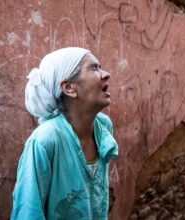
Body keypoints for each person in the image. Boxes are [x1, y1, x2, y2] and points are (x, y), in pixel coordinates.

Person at [11, 47, 118, 220]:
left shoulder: (102, 127)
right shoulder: (45, 140)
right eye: (94, 68)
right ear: (69, 87)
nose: (106, 74)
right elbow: (28, 212)